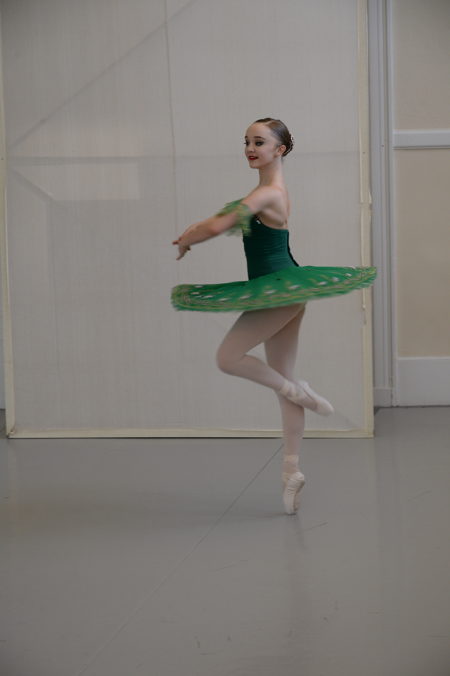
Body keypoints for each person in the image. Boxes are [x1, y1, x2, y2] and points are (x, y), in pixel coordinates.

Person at [171, 118, 376, 515]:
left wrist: (190, 237)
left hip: (279, 291)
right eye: (247, 141)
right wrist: (190, 234)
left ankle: (301, 393)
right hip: (281, 290)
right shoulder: (263, 191)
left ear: (279, 149)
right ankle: (291, 471)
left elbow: (218, 225)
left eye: (259, 142)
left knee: (228, 359)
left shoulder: (269, 193)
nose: (250, 148)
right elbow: (214, 221)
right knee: (283, 378)